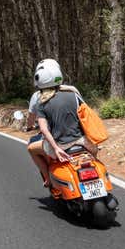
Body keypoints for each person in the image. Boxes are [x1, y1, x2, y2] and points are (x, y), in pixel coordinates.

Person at [29, 59, 97, 187]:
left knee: (31, 149)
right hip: (83, 141)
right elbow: (86, 115)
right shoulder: (73, 94)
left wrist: (56, 148)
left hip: (62, 146)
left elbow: (44, 130)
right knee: (94, 157)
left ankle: (48, 180)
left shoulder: (41, 102)